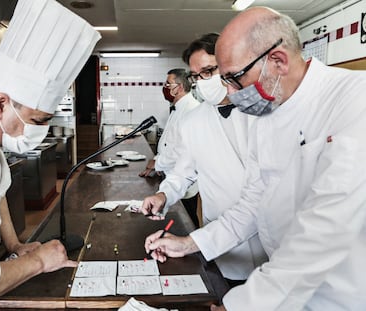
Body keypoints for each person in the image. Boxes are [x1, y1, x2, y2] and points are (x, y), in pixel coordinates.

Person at [145, 6, 366, 311]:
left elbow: (325, 232)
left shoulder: (355, 100)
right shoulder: (268, 112)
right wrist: (191, 243)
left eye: (235, 78)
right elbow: (253, 203)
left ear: (278, 61)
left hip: (340, 296)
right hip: (281, 289)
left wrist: (241, 305)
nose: (231, 92)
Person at [0, 0, 101, 309]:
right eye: (36, 121)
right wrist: (39, 262)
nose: (39, 131)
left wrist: (15, 245)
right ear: (0, 104)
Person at [141, 33, 267, 284]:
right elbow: (184, 171)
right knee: (224, 288)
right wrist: (164, 195)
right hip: (218, 232)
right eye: (196, 76)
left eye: (208, 71)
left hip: (266, 234)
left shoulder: (261, 113)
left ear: (229, 65)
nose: (202, 81)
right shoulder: (194, 120)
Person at [139, 68, 200, 227]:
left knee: (186, 218)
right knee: (176, 217)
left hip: (184, 179)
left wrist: (158, 162)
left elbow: (181, 150)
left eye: (168, 84)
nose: (164, 87)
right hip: (171, 175)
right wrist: (158, 162)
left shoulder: (191, 109)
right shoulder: (178, 107)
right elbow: (171, 142)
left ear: (178, 87)